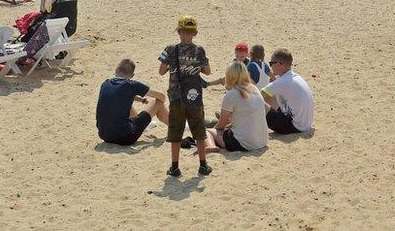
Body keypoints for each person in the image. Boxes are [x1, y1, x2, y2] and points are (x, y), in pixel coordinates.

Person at [158, 15, 212, 177]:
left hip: (176, 95)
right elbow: (207, 71)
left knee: (175, 132)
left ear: (179, 32)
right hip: (194, 96)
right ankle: (203, 165)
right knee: (199, 130)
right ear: (194, 33)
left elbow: (161, 71)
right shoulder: (199, 50)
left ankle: (174, 167)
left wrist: (173, 67)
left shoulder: (170, 49)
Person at [96, 59, 169, 145]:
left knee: (121, 101)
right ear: (132, 75)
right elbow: (161, 96)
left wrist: (142, 100)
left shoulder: (105, 84)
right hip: (126, 137)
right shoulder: (132, 85)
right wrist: (159, 105)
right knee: (158, 102)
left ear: (116, 70)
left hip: (105, 136)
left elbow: (124, 95)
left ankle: (144, 126)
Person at [203, 61, 268, 153]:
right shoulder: (254, 89)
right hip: (262, 140)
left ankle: (211, 145)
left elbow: (222, 123)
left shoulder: (231, 95)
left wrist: (214, 130)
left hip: (243, 143)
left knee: (206, 132)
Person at [261, 49, 314, 134]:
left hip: (294, 126)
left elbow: (258, 95)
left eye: (271, 64)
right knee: (270, 95)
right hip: (305, 124)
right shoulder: (295, 77)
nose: (270, 67)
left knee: (257, 100)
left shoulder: (282, 81)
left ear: (279, 64)